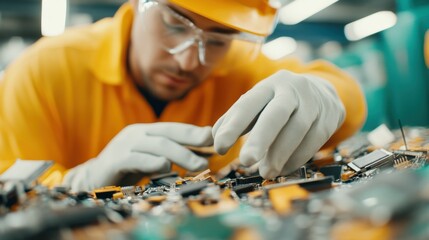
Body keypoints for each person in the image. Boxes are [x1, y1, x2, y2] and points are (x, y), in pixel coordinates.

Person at [0, 0, 366, 191]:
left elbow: (346, 101)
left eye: (218, 39)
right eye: (175, 24)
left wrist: (325, 92)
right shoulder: (42, 70)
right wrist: (77, 182)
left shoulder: (240, 67)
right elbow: (9, 186)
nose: (190, 60)